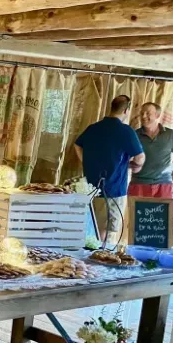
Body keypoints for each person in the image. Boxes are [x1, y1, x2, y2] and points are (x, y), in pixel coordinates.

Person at [73, 95, 145, 242]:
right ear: (126, 110)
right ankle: (101, 258)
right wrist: (132, 166)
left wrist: (86, 161)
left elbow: (77, 145)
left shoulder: (93, 128)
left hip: (90, 188)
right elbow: (140, 158)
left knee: (91, 225)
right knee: (106, 232)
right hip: (114, 189)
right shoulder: (126, 131)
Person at [129, 102, 173, 236]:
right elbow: (123, 159)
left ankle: (167, 253)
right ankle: (137, 255)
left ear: (157, 115)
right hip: (139, 184)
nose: (143, 116)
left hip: (164, 184)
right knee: (139, 223)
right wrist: (131, 164)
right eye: (142, 113)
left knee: (168, 222)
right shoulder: (133, 135)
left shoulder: (170, 135)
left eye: (148, 113)